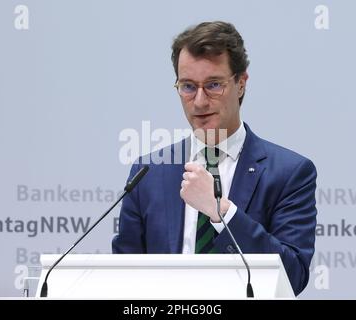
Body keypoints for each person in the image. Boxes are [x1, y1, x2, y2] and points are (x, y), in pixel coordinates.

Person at [112, 21, 317, 296]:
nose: (199, 101)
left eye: (213, 85)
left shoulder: (290, 172)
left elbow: (293, 275)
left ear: (241, 84)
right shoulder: (149, 171)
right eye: (187, 86)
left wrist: (222, 213)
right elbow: (122, 276)